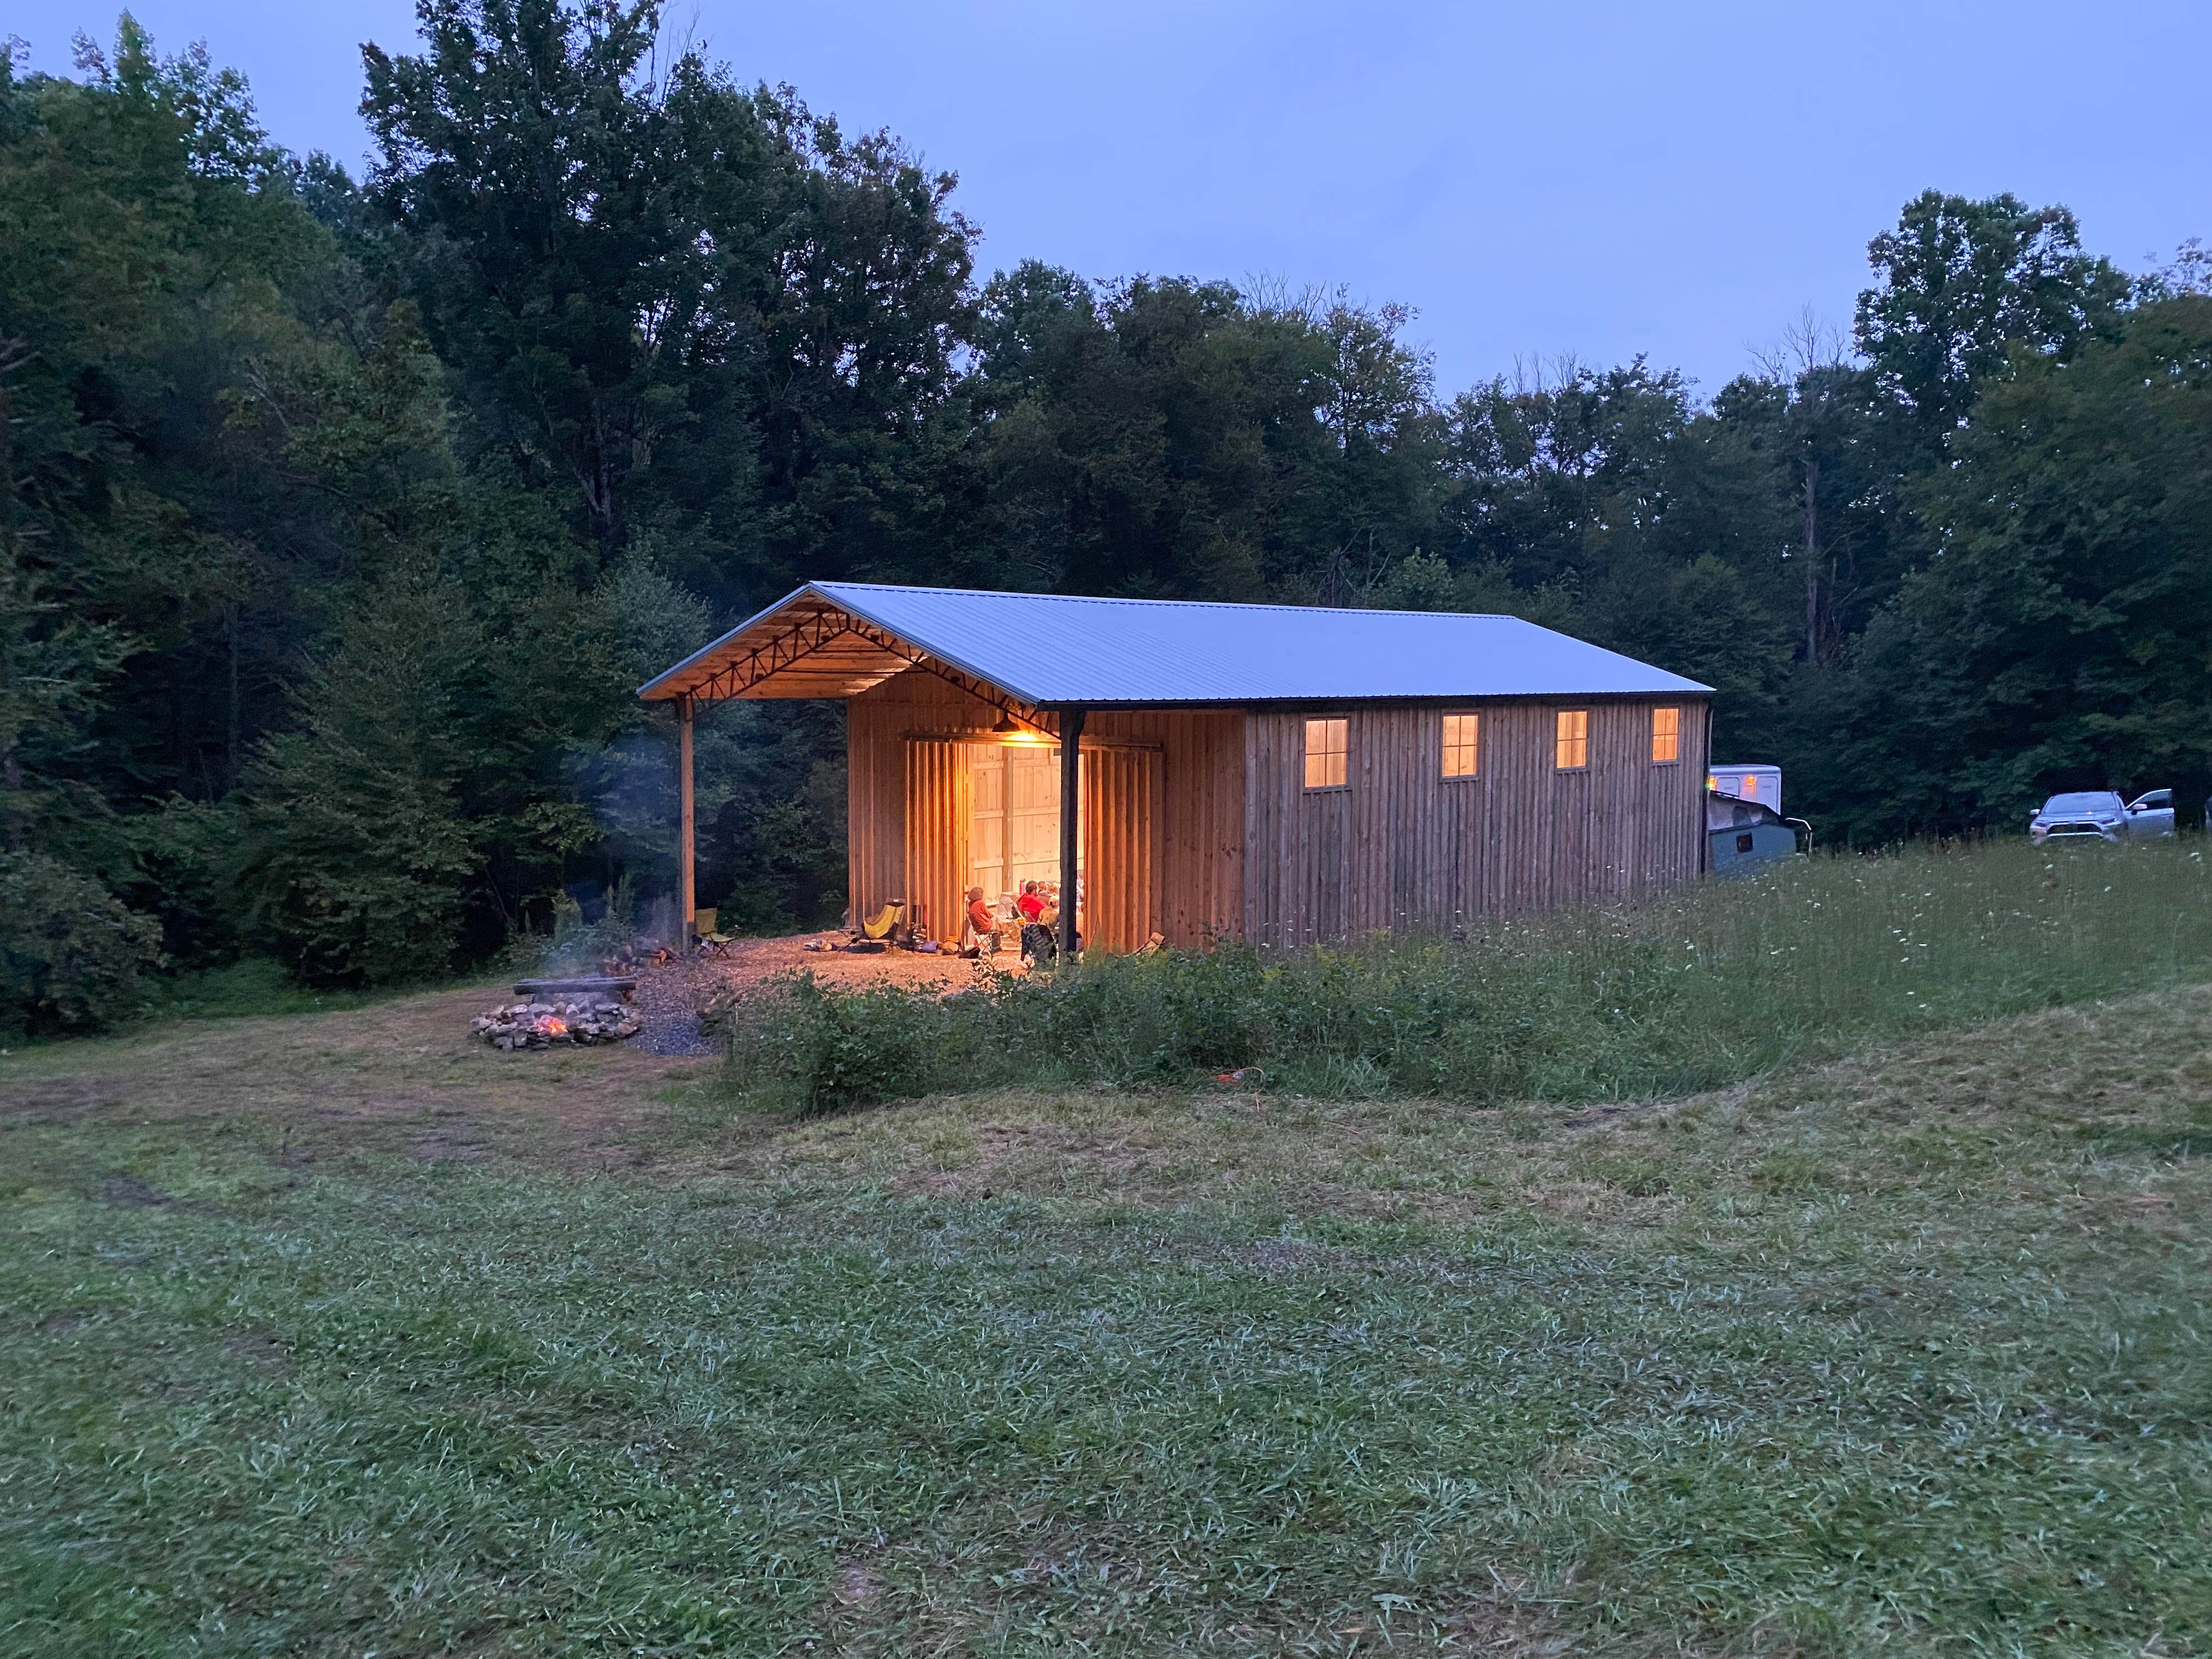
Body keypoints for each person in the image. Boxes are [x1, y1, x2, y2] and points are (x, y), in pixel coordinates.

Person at [957, 887, 998, 957]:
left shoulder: (970, 904)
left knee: (998, 925)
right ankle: (996, 948)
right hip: (985, 926)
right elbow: (988, 915)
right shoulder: (980, 903)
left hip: (977, 928)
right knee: (998, 926)